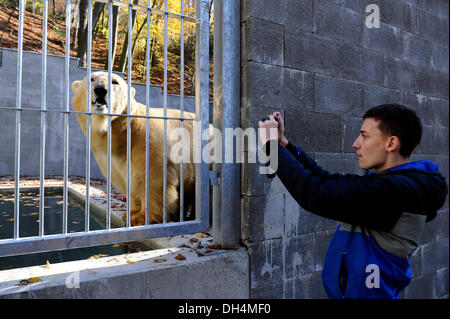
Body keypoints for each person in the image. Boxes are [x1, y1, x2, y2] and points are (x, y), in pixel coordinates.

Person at [258, 104, 448, 299]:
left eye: (364, 136)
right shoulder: (390, 184)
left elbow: (314, 193)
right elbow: (327, 180)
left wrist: (271, 147)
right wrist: (284, 145)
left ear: (391, 144)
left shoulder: (393, 192)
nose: (356, 143)